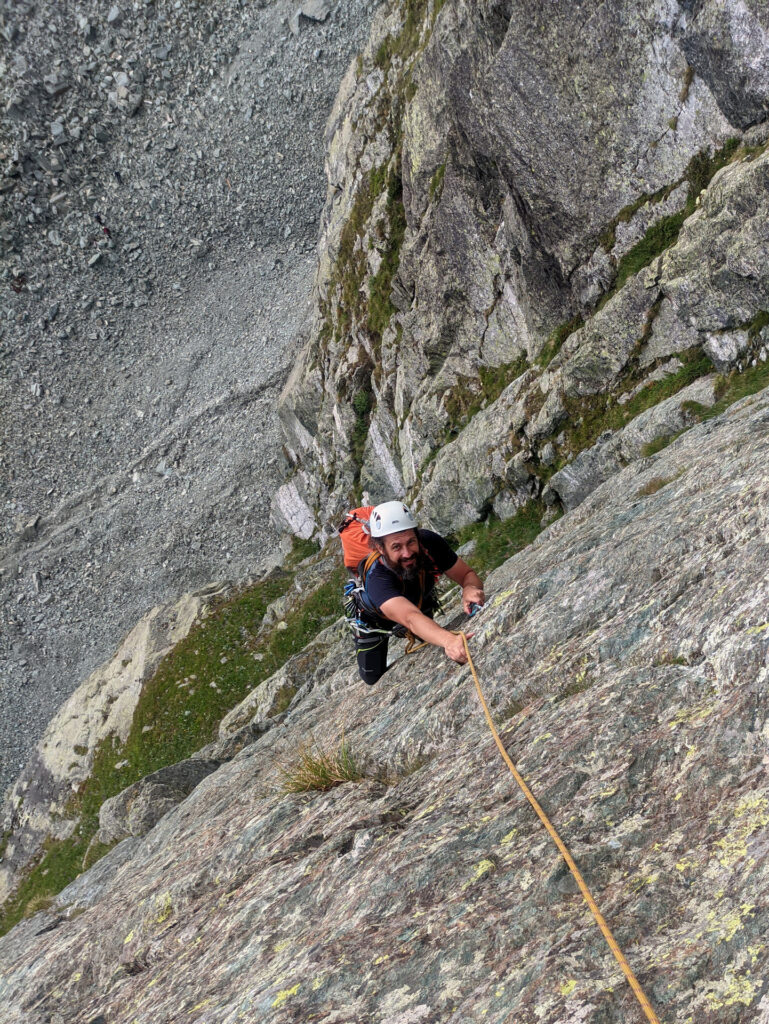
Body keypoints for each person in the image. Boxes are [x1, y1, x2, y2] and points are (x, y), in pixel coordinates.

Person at [354, 500, 485, 685]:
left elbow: (467, 574)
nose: (407, 553)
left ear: (417, 535)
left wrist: (470, 588)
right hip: (376, 618)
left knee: (429, 635)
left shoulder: (429, 543)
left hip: (417, 599)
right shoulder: (377, 577)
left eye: (411, 542)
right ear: (380, 548)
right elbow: (410, 618)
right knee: (372, 677)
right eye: (396, 547)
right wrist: (449, 641)